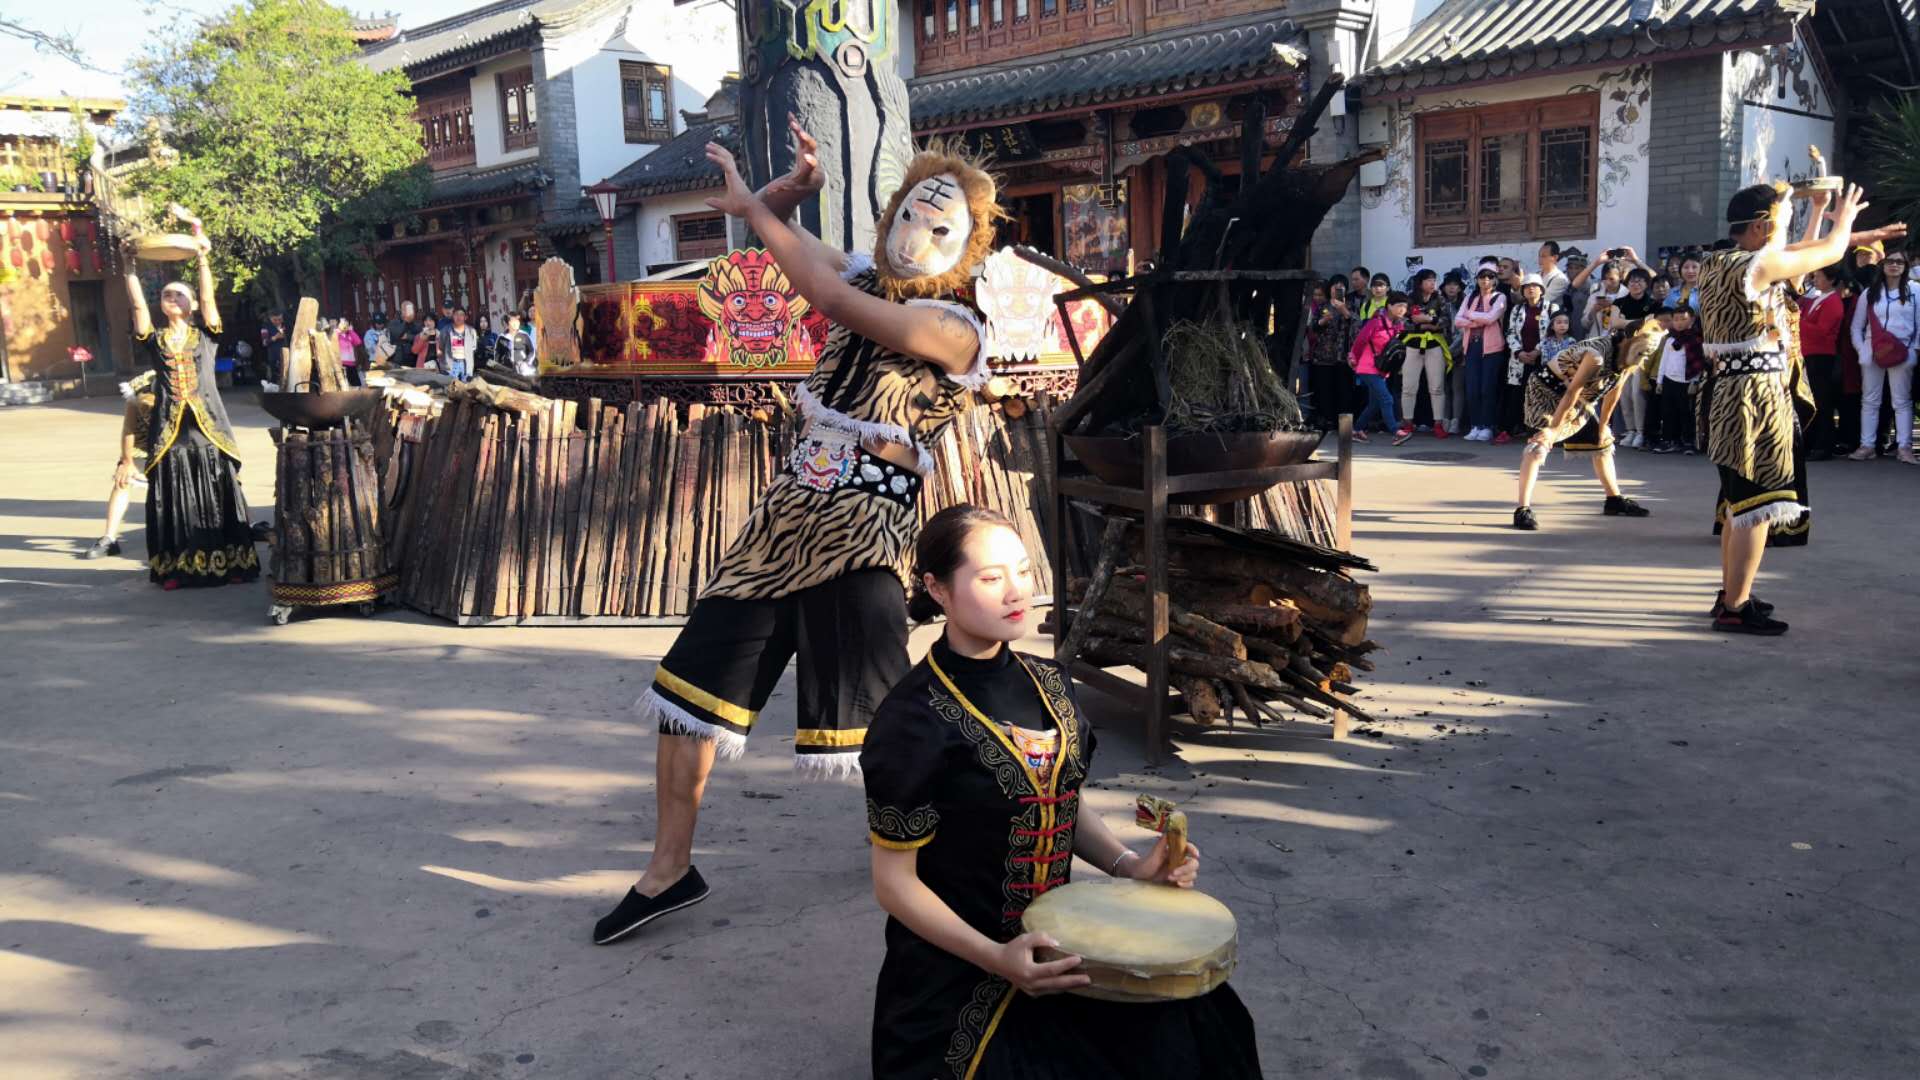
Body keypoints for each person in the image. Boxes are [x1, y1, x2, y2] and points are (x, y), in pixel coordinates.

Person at [594, 121, 1001, 945]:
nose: (916, 235)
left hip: (862, 530)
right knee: (688, 692)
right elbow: (803, 251)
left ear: (967, 248)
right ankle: (670, 869)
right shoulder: (863, 275)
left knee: (888, 718)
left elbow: (830, 298)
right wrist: (777, 197)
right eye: (909, 215)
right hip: (782, 522)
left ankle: (937, 852)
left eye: (940, 227)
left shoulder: (957, 330)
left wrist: (760, 214)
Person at [862, 505, 1261, 1080]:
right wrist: (998, 957)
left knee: (1202, 1023)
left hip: (1063, 946)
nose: (1016, 592)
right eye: (990, 577)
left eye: (1023, 571)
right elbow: (894, 884)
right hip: (959, 974)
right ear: (937, 588)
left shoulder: (1049, 682)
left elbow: (1059, 801)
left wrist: (1129, 866)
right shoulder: (911, 719)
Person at [1699, 181, 1873, 634]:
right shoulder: (1757, 264)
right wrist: (1843, 220)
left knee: (1739, 505)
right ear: (1761, 226)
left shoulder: (1718, 262)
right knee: (1757, 504)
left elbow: (1794, 259)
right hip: (1756, 394)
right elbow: (1826, 252)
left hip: (1729, 391)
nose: (1784, 230)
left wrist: (1814, 212)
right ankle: (1735, 606)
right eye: (1781, 220)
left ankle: (1732, 594)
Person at [120, 204, 261, 589]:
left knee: (218, 489)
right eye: (167, 294)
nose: (173, 298)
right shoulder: (155, 339)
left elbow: (209, 300)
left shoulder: (206, 335)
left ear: (192, 305)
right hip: (170, 431)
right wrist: (129, 267)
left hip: (208, 426)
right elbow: (137, 307)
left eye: (180, 295)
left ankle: (233, 564)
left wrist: (202, 259)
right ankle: (177, 570)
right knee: (173, 495)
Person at [1511, 305, 1653, 530]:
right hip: (1546, 391)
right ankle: (1522, 509)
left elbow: (1614, 392)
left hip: (1580, 398)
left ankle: (1614, 500)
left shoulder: (1631, 357)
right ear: (1627, 341)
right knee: (1538, 446)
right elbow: (1572, 391)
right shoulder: (1596, 355)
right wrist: (1553, 429)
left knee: (1602, 443)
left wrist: (1603, 426)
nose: (1643, 356)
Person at [1847, 248, 1918, 464]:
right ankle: (1867, 445)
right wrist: (1862, 349)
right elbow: (1856, 326)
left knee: (1901, 401)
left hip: (1902, 350)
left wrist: (1914, 350)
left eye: (1899, 262)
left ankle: (1904, 447)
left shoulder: (1915, 290)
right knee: (1870, 400)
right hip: (1873, 350)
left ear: (1905, 266)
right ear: (1883, 265)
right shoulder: (1870, 293)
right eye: (1890, 261)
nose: (1894, 265)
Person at [80, 371, 157, 560]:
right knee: (122, 480)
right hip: (146, 446)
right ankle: (109, 539)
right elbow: (129, 428)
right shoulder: (140, 385)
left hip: (180, 448)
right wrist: (126, 462)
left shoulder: (189, 379)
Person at [1501, 273, 1558, 445]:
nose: (1531, 289)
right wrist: (1519, 352)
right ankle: (1509, 429)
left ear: (1541, 290)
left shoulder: (1551, 308)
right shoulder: (1517, 309)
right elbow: (1510, 332)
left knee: (1542, 395)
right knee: (1516, 394)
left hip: (1543, 359)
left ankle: (1542, 432)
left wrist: (1536, 351)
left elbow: (1553, 333)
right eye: (1527, 286)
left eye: (1535, 286)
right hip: (1519, 360)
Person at [1798, 265, 1848, 460]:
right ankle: (1812, 442)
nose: (1815, 280)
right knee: (1814, 399)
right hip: (1809, 353)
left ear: (1831, 279)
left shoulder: (1833, 301)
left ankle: (1824, 444)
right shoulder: (1817, 298)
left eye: (1818, 276)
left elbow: (1823, 330)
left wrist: (1798, 321)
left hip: (1822, 355)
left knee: (1822, 401)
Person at [1396, 269, 1452, 441]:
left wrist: (1429, 320)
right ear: (1420, 283)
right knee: (1408, 387)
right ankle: (1407, 423)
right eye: (1428, 280)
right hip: (1412, 346)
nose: (1432, 283)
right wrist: (1420, 326)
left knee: (1437, 387)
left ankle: (1438, 424)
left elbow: (1446, 321)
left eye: (1434, 280)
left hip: (1434, 345)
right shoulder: (1409, 300)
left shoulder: (1440, 299)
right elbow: (1402, 322)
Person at [1454, 263, 1508, 441]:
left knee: (1487, 388)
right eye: (1482, 277)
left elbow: (1491, 318)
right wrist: (1477, 320)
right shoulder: (1470, 297)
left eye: (1490, 277)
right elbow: (1457, 320)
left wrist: (1470, 316)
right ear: (1476, 279)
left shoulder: (1499, 297)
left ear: (1495, 280)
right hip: (1472, 347)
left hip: (1492, 349)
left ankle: (1487, 426)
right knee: (1472, 389)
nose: (1486, 280)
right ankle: (1475, 425)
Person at [1348, 289, 1407, 441]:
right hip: (1367, 368)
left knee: (1374, 404)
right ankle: (1395, 432)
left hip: (1381, 370)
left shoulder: (1397, 325)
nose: (1402, 309)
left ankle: (1356, 430)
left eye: (1405, 306)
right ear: (1389, 306)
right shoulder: (1376, 322)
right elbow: (1360, 340)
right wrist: (1354, 358)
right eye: (1399, 306)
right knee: (1387, 399)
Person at [1651, 306, 1704, 454]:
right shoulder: (1670, 339)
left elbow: (1697, 363)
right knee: (1668, 411)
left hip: (1686, 382)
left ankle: (1688, 442)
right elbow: (1664, 361)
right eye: (1676, 319)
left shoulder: (1696, 339)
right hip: (1669, 380)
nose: (1679, 323)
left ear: (1692, 320)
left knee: (1686, 412)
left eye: (1683, 319)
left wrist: (1694, 381)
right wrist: (1660, 381)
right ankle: (1669, 440)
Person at [1305, 278, 1352, 430]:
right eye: (1334, 287)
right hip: (1324, 356)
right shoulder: (1323, 306)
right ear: (1329, 289)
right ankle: (1327, 421)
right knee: (1324, 390)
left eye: (1341, 287)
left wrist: (1345, 311)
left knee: (1343, 391)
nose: (1337, 290)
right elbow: (1313, 327)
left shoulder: (1350, 305)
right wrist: (1322, 321)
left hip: (1343, 356)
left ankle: (1344, 425)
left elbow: (1357, 326)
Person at [442, 307, 479, 381]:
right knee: (452, 385)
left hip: (465, 363)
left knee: (466, 385)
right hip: (452, 363)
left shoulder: (472, 331)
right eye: (456, 314)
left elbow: (473, 348)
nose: (458, 317)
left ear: (465, 317)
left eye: (461, 315)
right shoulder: (446, 330)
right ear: (453, 316)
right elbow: (441, 346)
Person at [1537, 240, 1571, 310]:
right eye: (1539, 256)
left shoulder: (1560, 279)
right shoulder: (1536, 275)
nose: (1540, 259)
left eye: (1544, 256)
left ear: (1555, 257)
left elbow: (1542, 301)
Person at [502, 312, 536, 378]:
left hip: (524, 367)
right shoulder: (503, 337)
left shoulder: (524, 335)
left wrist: (527, 361)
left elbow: (532, 351)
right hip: (510, 370)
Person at [335, 317, 363, 387]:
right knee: (343, 384)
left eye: (346, 324)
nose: (344, 326)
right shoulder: (336, 334)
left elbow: (358, 342)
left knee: (356, 384)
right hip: (341, 363)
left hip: (351, 363)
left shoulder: (350, 334)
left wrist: (351, 331)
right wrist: (338, 331)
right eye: (342, 324)